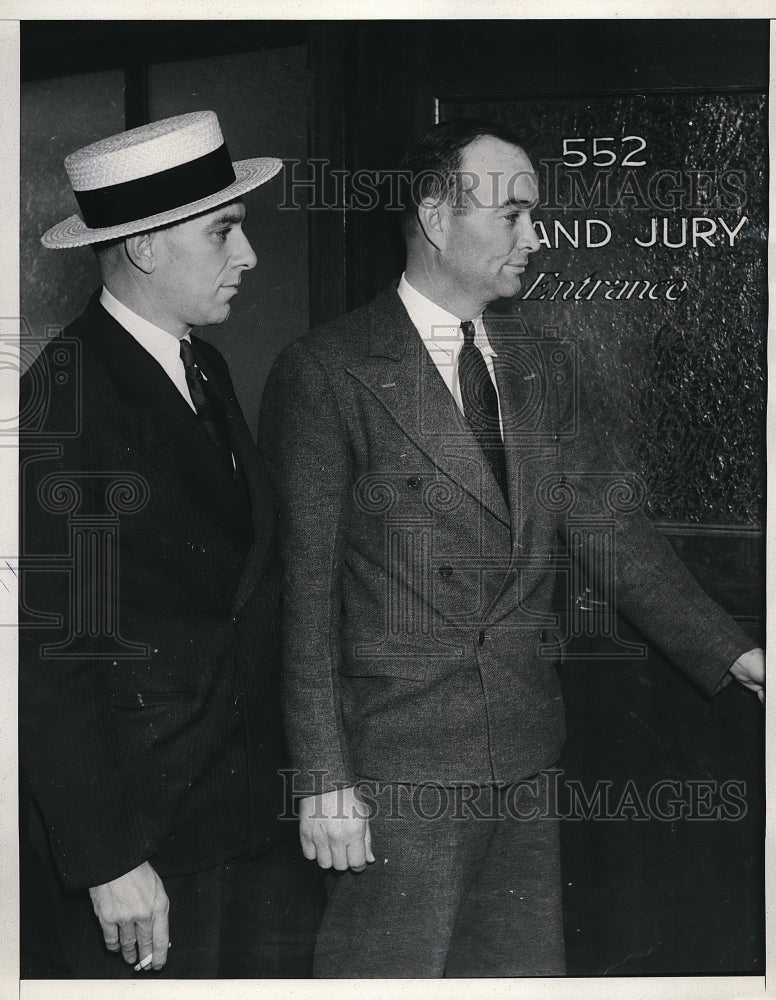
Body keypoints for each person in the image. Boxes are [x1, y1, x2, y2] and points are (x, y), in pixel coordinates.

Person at [257, 118, 765, 978]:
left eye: (537, 215)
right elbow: (302, 596)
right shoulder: (328, 369)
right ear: (434, 215)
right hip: (396, 775)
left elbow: (615, 534)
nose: (536, 237)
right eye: (513, 214)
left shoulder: (541, 363)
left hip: (526, 756)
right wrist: (321, 779)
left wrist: (740, 652)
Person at [19, 110, 322, 978]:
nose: (251, 255)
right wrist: (108, 859)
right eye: (224, 231)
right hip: (146, 849)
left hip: (240, 814)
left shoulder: (203, 368)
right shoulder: (66, 399)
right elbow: (46, 658)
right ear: (146, 248)